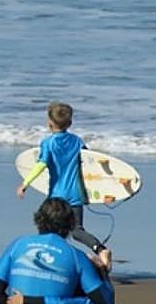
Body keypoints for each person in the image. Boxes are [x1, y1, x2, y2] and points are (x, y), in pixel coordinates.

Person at [17, 102, 112, 270]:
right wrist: (104, 190)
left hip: (57, 197)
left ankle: (46, 261)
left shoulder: (48, 143)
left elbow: (41, 165)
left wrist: (25, 183)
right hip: (75, 195)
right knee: (77, 231)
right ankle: (101, 250)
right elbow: (89, 164)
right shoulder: (77, 141)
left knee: (47, 228)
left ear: (49, 123)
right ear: (70, 123)